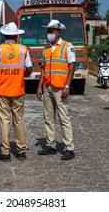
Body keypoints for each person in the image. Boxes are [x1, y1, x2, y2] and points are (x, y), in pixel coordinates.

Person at [0, 22, 33, 162]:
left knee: (4, 121)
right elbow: (30, 69)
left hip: (2, 90)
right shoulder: (23, 50)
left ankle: (5, 152)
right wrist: (19, 75)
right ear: (16, 36)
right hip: (18, 90)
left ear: (5, 35)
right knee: (19, 120)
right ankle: (21, 151)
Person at [36, 19, 76, 161]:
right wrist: (39, 86)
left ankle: (69, 148)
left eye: (51, 31)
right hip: (47, 87)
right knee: (48, 118)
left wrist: (67, 86)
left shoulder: (67, 46)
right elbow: (43, 69)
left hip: (60, 88)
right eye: (48, 31)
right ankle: (51, 145)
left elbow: (72, 67)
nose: (48, 34)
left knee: (63, 118)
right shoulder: (46, 49)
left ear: (58, 33)